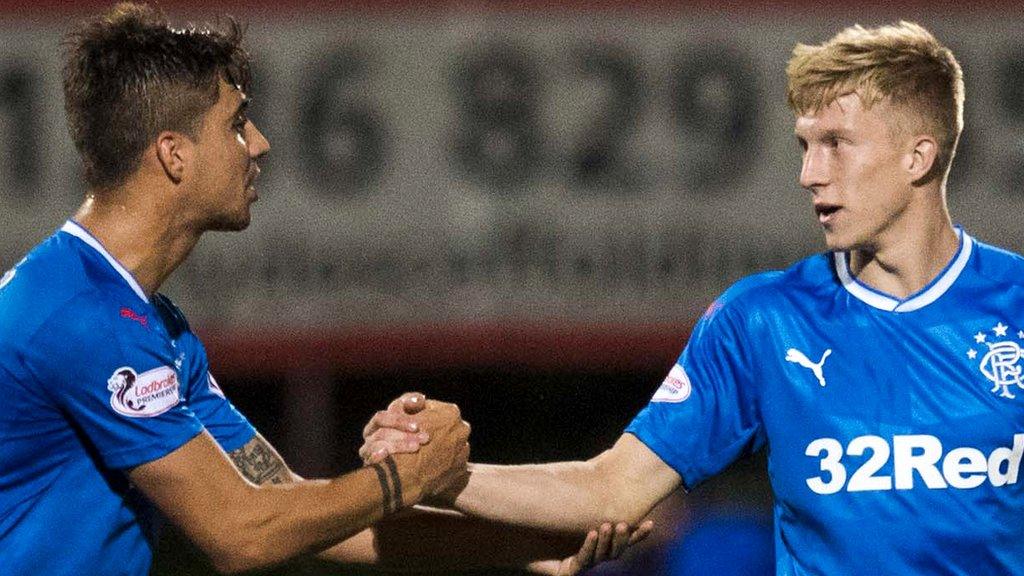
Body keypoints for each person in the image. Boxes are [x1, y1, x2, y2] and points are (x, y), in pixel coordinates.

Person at [0, 3, 650, 575]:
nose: (260, 143)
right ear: (174, 154)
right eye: (236, 123)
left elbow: (282, 500)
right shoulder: (82, 316)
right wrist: (405, 478)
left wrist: (531, 545)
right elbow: (242, 535)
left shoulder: (150, 324)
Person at [364, 21, 1024, 574]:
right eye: (803, 146)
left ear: (919, 157)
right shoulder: (762, 320)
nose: (808, 173)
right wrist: (444, 476)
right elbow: (615, 487)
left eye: (836, 146)